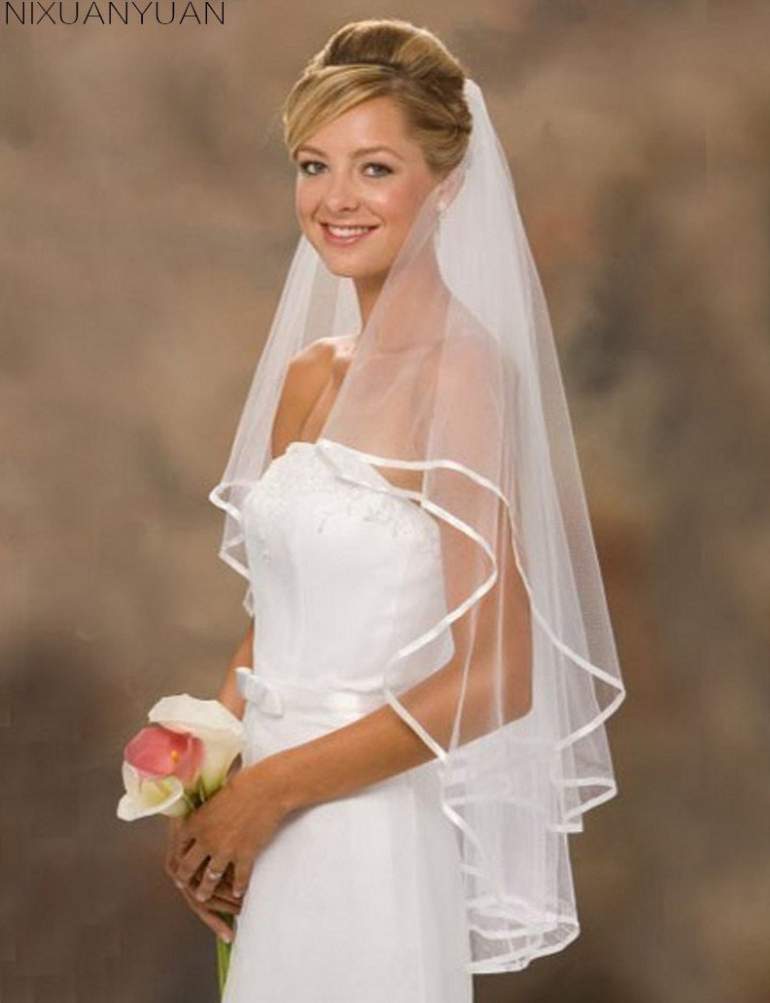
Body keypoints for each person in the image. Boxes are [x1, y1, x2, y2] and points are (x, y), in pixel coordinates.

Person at [166, 17, 626, 1001]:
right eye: (313, 164)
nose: (335, 199)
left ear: (446, 183)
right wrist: (200, 783)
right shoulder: (310, 374)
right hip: (264, 823)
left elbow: (498, 675)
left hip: (363, 830)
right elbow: (275, 616)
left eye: (374, 168)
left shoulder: (462, 376)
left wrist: (269, 791)